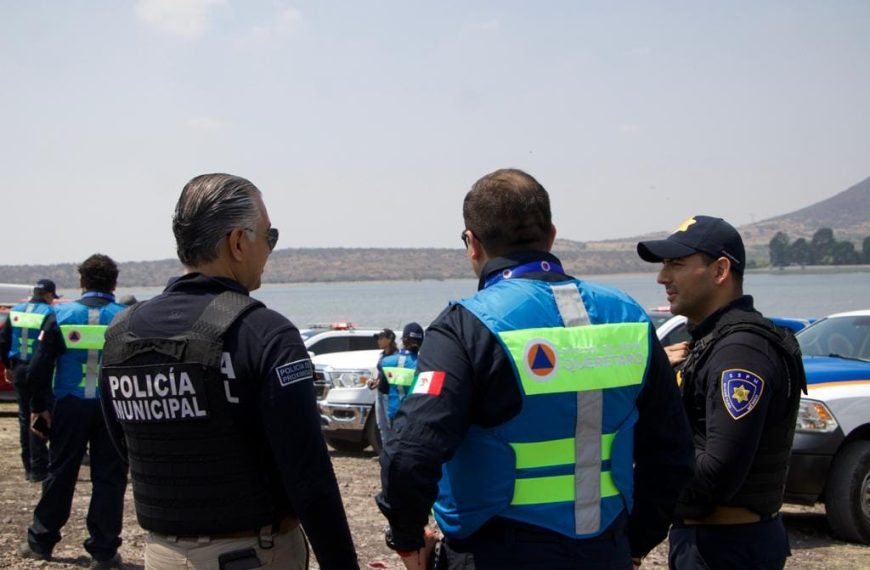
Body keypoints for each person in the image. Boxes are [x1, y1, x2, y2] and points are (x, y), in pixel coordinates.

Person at [377, 168, 695, 570]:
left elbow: (408, 455)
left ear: (472, 243)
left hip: (495, 551)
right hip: (605, 548)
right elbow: (672, 453)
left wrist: (407, 541)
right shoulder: (628, 316)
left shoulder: (467, 326)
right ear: (551, 236)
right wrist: (636, 543)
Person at [98, 173, 358, 569]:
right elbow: (308, 474)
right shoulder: (264, 333)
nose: (270, 251)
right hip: (253, 553)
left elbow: (126, 444)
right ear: (238, 242)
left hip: (162, 553)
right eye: (268, 237)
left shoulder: (122, 333)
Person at [636, 215, 806, 570]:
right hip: (711, 542)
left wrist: (647, 459)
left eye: (677, 264)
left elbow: (718, 474)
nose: (662, 277)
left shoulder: (740, 351)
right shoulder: (714, 343)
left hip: (725, 548)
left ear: (720, 270)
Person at [19, 255, 128, 568]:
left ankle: (41, 542)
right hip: (112, 409)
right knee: (109, 477)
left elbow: (39, 368)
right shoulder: (124, 316)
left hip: (69, 405)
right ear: (114, 283)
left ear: (82, 282)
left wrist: (40, 409)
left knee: (61, 471)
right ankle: (105, 551)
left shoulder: (60, 313)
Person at [0, 279, 58, 483]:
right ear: (49, 294)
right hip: (40, 370)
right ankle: (40, 467)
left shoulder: (16, 310)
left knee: (25, 418)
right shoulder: (49, 313)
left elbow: (3, 340)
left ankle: (29, 466)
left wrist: (8, 367)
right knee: (41, 415)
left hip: (19, 368)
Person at [378, 322, 424, 449]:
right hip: (417, 416)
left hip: (396, 414)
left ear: (403, 340)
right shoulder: (425, 364)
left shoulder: (387, 362)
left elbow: (383, 389)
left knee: (396, 450)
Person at [369, 328, 399, 449]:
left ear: (390, 339)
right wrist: (375, 381)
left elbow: (395, 375)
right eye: (378, 338)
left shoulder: (397, 356)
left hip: (390, 393)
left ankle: (393, 451)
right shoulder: (382, 355)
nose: (379, 341)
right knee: (381, 424)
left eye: (381, 338)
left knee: (390, 424)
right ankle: (386, 451)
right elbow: (381, 373)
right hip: (380, 392)